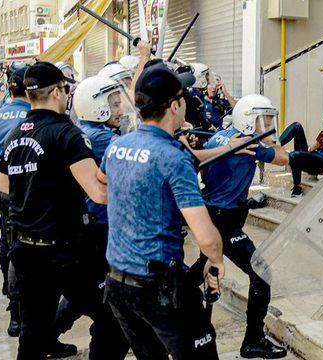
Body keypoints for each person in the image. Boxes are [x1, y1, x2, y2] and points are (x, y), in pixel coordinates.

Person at [0, 62, 126, 360]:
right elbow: (99, 193)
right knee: (111, 314)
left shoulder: (14, 134)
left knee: (33, 333)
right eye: (65, 89)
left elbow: (4, 186)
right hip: (64, 252)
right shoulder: (66, 134)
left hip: (25, 250)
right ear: (57, 92)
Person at [102, 63, 225, 359]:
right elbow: (205, 236)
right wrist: (216, 259)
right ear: (174, 105)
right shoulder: (173, 158)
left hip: (117, 283)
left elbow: (109, 191)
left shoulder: (117, 147)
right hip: (157, 288)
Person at [196, 94, 289, 359]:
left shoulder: (221, 136)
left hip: (212, 213)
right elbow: (283, 159)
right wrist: (275, 140)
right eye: (264, 118)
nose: (268, 124)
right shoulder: (251, 144)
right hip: (225, 219)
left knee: (196, 272)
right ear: (249, 121)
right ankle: (253, 340)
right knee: (261, 274)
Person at [0, 66, 30, 337]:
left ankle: (8, 288)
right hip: (24, 185)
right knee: (22, 245)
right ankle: (17, 310)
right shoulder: (33, 116)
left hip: (0, 183)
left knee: (7, 238)